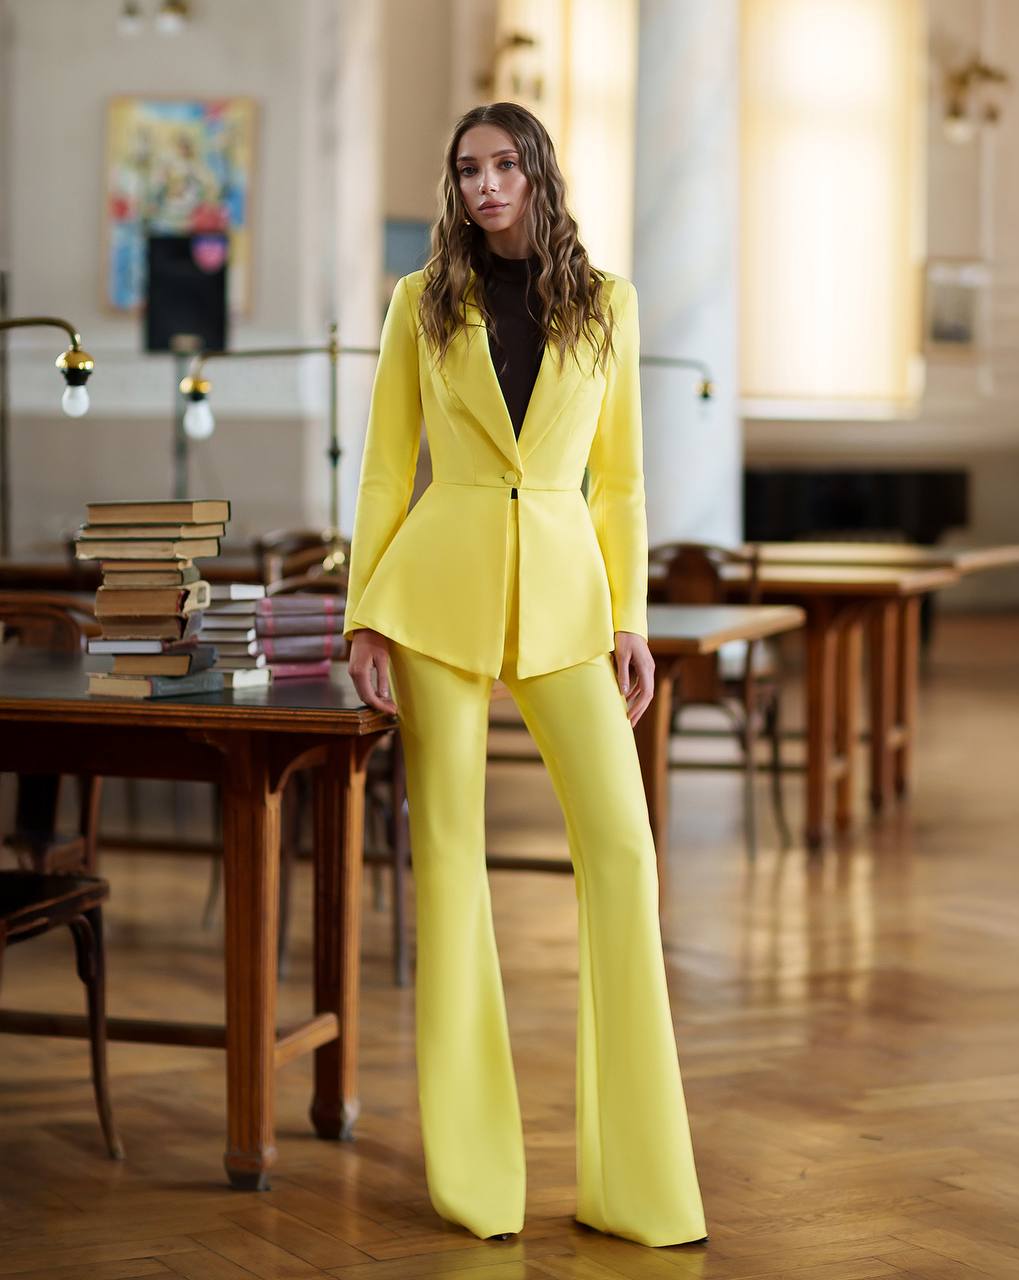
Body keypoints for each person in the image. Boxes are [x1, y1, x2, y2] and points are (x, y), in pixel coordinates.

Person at [342, 101, 706, 1249]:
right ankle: (477, 1178)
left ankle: (638, 1185)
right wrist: (363, 613)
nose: (486, 184)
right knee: (449, 858)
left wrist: (631, 617)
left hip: (567, 605)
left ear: (538, 172)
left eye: (504, 165)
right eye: (467, 169)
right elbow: (384, 466)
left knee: (623, 845)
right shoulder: (420, 302)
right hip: (433, 598)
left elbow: (622, 482)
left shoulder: (609, 305)